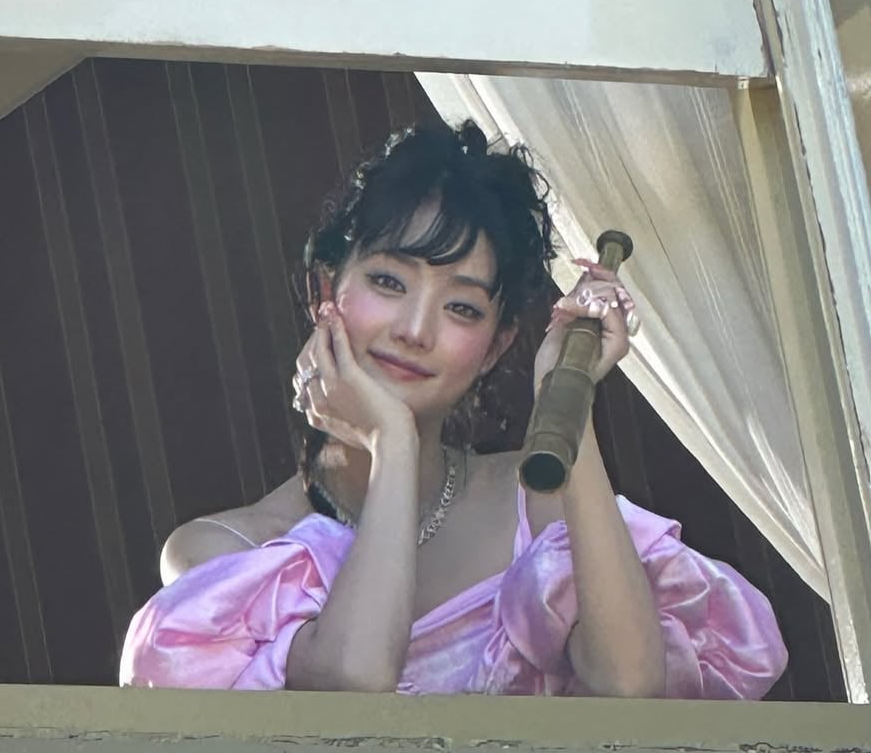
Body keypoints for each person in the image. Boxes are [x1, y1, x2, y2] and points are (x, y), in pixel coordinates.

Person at [120, 121, 786, 697]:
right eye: (388, 281)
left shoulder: (538, 504)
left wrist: (568, 396)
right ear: (324, 289)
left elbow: (631, 686)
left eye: (461, 307)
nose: (415, 329)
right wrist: (393, 445)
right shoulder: (224, 551)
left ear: (496, 347)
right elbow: (353, 681)